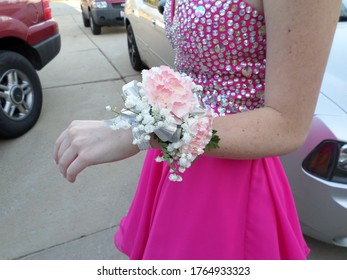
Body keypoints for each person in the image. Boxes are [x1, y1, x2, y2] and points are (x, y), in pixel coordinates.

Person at [54, 0, 341, 259]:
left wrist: (138, 129)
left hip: (229, 185)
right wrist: (146, 120)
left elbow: (286, 126)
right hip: (176, 157)